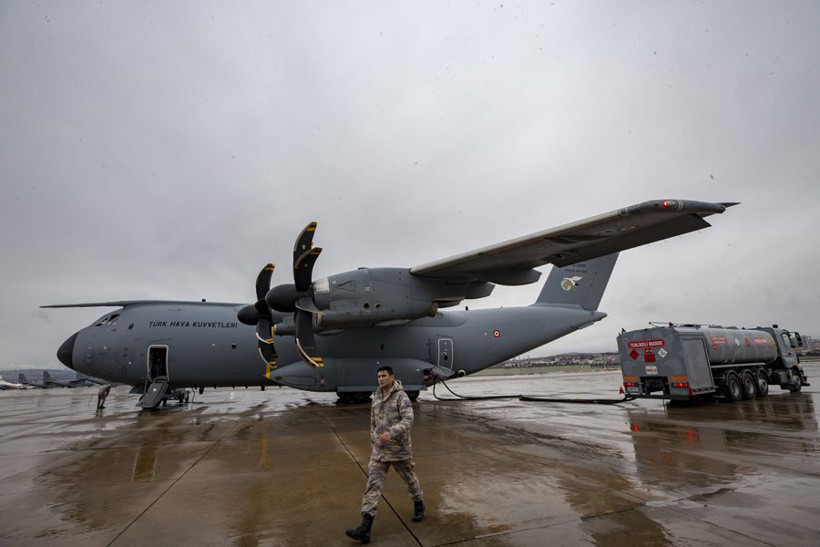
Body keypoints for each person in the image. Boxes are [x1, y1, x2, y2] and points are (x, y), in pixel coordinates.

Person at [346, 366, 424, 543]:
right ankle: (365, 527)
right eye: (379, 376)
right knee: (372, 486)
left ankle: (418, 503)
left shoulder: (401, 396)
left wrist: (392, 432)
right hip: (380, 452)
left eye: (384, 376)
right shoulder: (376, 397)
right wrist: (374, 439)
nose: (381, 379)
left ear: (392, 377)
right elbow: (373, 421)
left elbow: (408, 419)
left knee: (410, 479)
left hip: (399, 450)